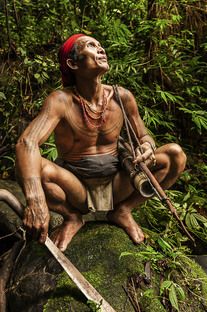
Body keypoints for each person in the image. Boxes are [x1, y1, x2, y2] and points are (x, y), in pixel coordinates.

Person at [15, 34, 186, 251]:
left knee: (175, 155)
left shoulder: (122, 97)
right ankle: (71, 218)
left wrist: (147, 148)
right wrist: (35, 199)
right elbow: (26, 143)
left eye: (101, 45)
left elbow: (144, 137)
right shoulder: (60, 100)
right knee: (30, 165)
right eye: (91, 46)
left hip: (118, 184)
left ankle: (122, 210)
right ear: (72, 63)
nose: (101, 49)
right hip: (76, 189)